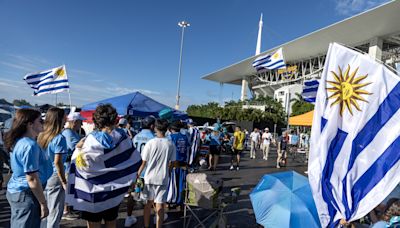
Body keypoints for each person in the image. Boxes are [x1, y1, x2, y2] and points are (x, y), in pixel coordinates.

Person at [65, 104, 141, 228]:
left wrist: (78, 150)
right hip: (113, 192)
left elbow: (82, 167)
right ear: (114, 119)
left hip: (92, 193)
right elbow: (133, 159)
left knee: (94, 225)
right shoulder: (123, 137)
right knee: (111, 223)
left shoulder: (88, 141)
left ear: (96, 120)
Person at [5, 109, 52, 228]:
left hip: (23, 192)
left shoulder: (22, 141)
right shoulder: (29, 145)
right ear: (30, 124)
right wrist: (43, 203)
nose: (43, 123)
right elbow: (32, 179)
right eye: (40, 120)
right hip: (26, 194)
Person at [137, 119, 176, 228]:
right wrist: (168, 171)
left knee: (148, 204)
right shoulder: (170, 144)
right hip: (163, 177)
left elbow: (143, 163)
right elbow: (172, 163)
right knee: (160, 205)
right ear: (166, 129)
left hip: (149, 177)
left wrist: (138, 175)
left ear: (155, 128)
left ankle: (146, 225)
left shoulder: (150, 143)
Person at [37, 108, 68, 228]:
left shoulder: (42, 135)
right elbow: (58, 162)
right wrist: (64, 181)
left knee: (44, 210)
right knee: (54, 212)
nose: (66, 119)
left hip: (42, 175)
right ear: (59, 119)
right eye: (64, 117)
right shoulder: (59, 138)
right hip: (55, 177)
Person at [124, 115, 156, 227]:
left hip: (136, 171)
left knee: (132, 195)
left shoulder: (136, 136)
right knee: (150, 196)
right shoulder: (153, 138)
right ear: (152, 125)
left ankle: (128, 217)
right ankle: (154, 217)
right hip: (148, 171)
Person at [61, 111, 85, 220]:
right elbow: (76, 146)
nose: (82, 125)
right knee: (67, 187)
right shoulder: (68, 133)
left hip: (71, 164)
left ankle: (69, 208)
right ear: (74, 122)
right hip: (66, 165)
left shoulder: (73, 132)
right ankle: (65, 211)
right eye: (80, 122)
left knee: (70, 187)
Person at [167, 121, 190, 206]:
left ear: (171, 129)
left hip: (173, 164)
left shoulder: (171, 137)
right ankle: (180, 200)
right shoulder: (185, 137)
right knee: (181, 183)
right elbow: (188, 150)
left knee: (172, 183)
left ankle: (171, 200)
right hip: (183, 163)